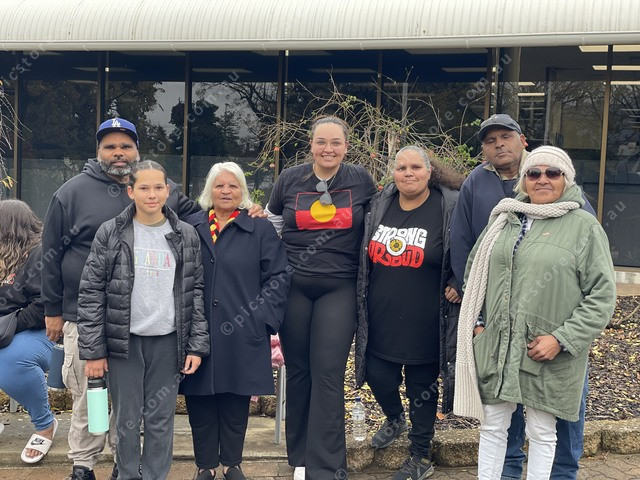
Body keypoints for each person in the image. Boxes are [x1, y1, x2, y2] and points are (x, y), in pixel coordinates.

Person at [41, 117, 201, 480]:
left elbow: (198, 217)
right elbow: (49, 254)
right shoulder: (71, 192)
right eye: (110, 147)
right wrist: (52, 309)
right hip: (84, 314)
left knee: (129, 407)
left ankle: (122, 465)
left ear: (137, 151)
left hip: (146, 321)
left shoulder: (158, 186)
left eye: (125, 146)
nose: (118, 153)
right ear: (98, 151)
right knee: (90, 396)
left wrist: (243, 213)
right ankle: (83, 464)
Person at [453, 146, 616, 479]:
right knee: (493, 426)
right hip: (497, 345)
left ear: (566, 179)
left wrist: (561, 339)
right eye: (534, 173)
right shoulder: (504, 219)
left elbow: (602, 295)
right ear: (523, 181)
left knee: (541, 430)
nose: (543, 179)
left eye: (552, 173)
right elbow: (475, 273)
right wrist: (480, 325)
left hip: (546, 350)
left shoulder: (583, 226)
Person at [77, 160, 210, 480]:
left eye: (158, 187)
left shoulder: (185, 234)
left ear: (168, 190)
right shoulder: (111, 232)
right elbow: (91, 291)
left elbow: (195, 291)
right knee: (126, 419)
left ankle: (154, 475)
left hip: (169, 341)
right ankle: (127, 475)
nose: (152, 194)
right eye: (144, 187)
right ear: (131, 191)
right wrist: (93, 351)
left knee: (160, 420)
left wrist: (196, 345)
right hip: (124, 342)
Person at [266, 116, 377, 480]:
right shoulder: (289, 179)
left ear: (346, 146)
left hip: (339, 286)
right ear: (311, 145)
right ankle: (300, 459)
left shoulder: (360, 180)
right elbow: (272, 224)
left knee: (328, 372)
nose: (328, 149)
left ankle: (326, 466)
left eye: (336, 143)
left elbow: (379, 220)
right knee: (299, 371)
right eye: (321, 142)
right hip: (294, 285)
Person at [354, 146, 462, 480]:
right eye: (401, 168)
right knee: (377, 375)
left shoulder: (449, 206)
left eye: (416, 167)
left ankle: (420, 456)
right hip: (381, 317)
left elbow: (471, 246)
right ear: (393, 173)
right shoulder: (380, 204)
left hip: (426, 320)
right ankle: (394, 418)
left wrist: (459, 279)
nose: (408, 173)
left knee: (421, 389)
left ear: (430, 172)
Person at [179, 162, 291, 480]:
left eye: (233, 185)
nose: (226, 191)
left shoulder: (260, 228)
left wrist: (263, 319)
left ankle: (231, 463)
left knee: (235, 399)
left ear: (242, 191)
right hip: (198, 329)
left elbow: (279, 276)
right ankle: (205, 465)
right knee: (199, 398)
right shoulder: (190, 226)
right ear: (209, 191)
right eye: (219, 185)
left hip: (243, 329)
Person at [0, 200, 57, 464]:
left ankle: (45, 424)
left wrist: (9, 327)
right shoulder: (3, 254)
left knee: (10, 360)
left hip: (43, 332)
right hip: (7, 329)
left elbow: (42, 307)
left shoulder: (40, 254)